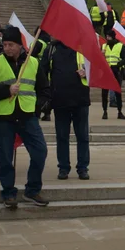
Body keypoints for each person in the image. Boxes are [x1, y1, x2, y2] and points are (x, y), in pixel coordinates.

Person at [0, 27, 50, 209]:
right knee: (5, 157)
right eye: (4, 44)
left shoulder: (34, 63)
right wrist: (6, 91)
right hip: (3, 117)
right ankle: (8, 192)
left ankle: (32, 189)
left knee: (40, 151)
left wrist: (37, 108)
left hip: (27, 116)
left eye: (11, 45)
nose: (7, 48)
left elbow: (45, 90)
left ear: (20, 45)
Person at [48, 40, 91, 180]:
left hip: (81, 99)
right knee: (62, 137)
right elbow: (43, 71)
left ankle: (83, 167)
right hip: (60, 100)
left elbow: (98, 68)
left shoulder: (84, 47)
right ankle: (63, 167)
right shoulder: (52, 49)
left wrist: (88, 72)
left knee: (83, 136)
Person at [101, 30, 125, 120]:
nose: (107, 38)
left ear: (113, 37)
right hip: (106, 71)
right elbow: (100, 58)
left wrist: (118, 65)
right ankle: (105, 111)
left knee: (117, 92)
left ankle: (119, 112)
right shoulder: (104, 46)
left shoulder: (120, 46)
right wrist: (101, 54)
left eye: (109, 36)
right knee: (104, 93)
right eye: (106, 36)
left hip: (116, 71)